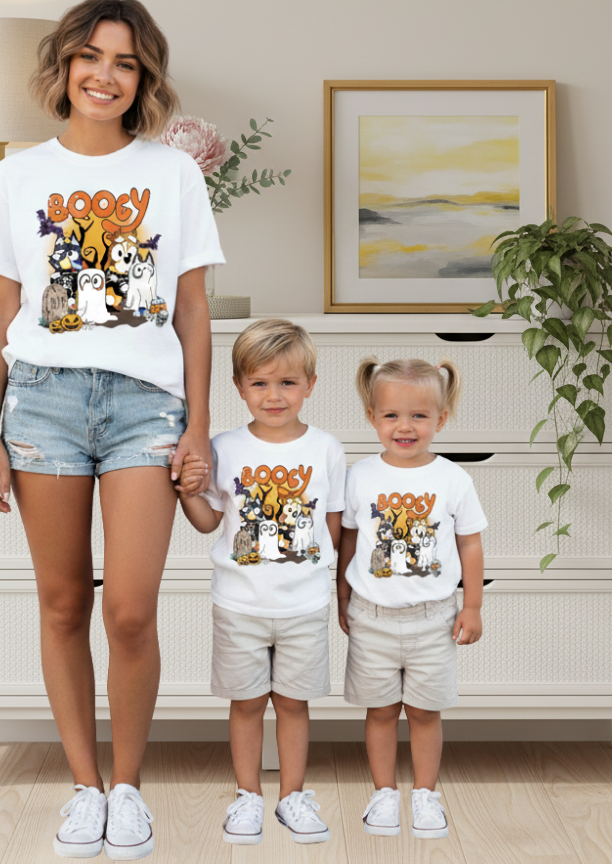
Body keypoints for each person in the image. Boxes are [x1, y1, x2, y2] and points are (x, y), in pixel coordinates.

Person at [0, 0, 223, 860]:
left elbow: (192, 309)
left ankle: (127, 787)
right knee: (64, 601)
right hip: (41, 398)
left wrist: (198, 425)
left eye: (124, 61)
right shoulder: (16, 177)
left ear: (142, 76)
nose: (105, 75)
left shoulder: (171, 174)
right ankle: (83, 788)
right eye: (90, 57)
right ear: (64, 68)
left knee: (133, 613)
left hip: (145, 404)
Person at [175, 319, 346, 846]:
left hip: (305, 605)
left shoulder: (326, 449)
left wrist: (338, 593)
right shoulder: (224, 447)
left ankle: (292, 797)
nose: (274, 396)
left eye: (288, 383)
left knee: (294, 703)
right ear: (239, 386)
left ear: (311, 385)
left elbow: (334, 531)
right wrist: (187, 492)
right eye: (260, 383)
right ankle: (248, 797)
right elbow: (209, 522)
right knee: (246, 703)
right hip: (238, 604)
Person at [336, 356, 487, 840]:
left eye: (419, 416)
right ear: (372, 417)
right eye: (392, 416)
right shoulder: (359, 477)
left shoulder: (453, 480)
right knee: (379, 711)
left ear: (441, 419)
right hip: (371, 617)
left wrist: (473, 605)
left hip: (434, 619)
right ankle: (384, 794)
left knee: (424, 711)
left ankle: (425, 794)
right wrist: (342, 597)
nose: (405, 427)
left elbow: (470, 543)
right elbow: (348, 543)